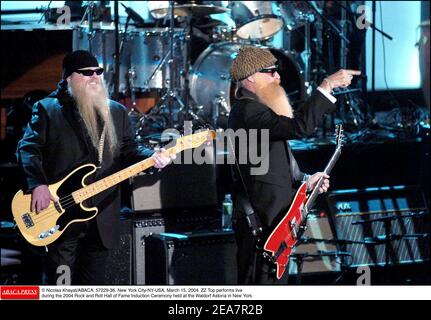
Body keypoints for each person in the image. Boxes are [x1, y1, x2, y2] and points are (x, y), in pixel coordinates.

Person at [16, 50, 173, 285]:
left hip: (101, 216)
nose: (94, 77)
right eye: (86, 73)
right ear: (68, 77)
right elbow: (28, 149)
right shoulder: (47, 109)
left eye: (98, 72)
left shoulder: (115, 111)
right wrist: (37, 185)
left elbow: (129, 149)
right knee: (60, 287)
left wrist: (153, 157)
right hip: (59, 216)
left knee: (94, 287)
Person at [228, 46, 360, 284]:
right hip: (261, 224)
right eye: (270, 72)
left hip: (275, 222)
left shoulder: (256, 110)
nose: (277, 77)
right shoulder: (248, 110)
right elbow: (300, 127)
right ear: (250, 77)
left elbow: (271, 164)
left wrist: (305, 183)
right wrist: (326, 86)